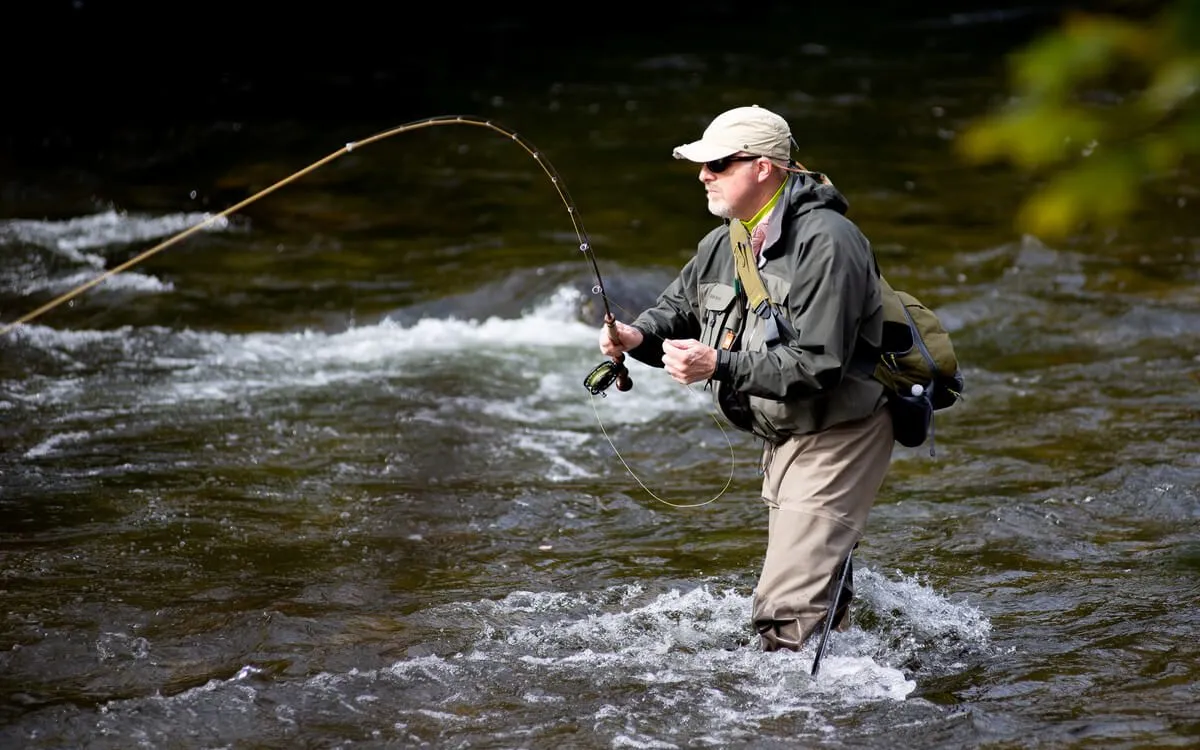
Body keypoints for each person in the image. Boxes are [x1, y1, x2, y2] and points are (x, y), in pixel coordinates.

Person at [598, 105, 894, 652]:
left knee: (783, 611)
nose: (703, 175)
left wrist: (718, 365)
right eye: (702, 164)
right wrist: (636, 337)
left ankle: (793, 719)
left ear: (763, 167)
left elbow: (819, 364)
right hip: (782, 434)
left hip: (840, 432)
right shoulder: (725, 241)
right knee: (816, 591)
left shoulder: (829, 242)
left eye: (718, 164)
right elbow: (676, 311)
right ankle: (844, 687)